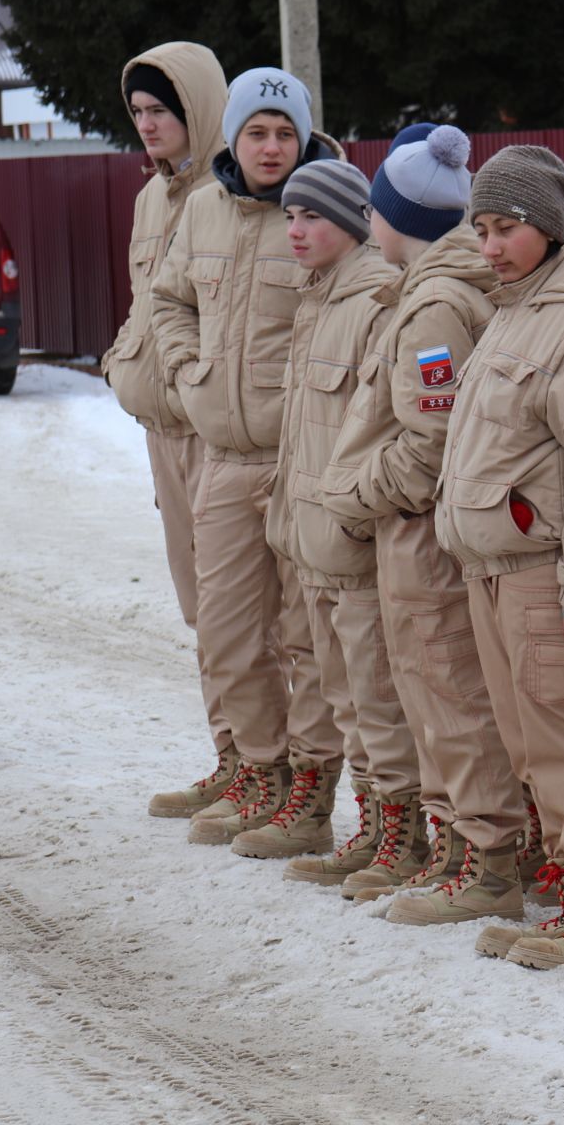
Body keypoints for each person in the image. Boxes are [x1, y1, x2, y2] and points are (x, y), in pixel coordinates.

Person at [419, 146, 564, 977]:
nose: (490, 245)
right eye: (481, 228)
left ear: (550, 229)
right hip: (491, 566)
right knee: (529, 742)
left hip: (546, 572)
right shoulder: (514, 311)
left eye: (507, 228)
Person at [321, 123, 535, 903]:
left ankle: (485, 858)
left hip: (422, 532)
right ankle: (459, 848)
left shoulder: (436, 305)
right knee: (432, 687)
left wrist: (353, 489)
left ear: (396, 217)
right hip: (420, 529)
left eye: (376, 206)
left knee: (449, 692)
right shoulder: (424, 290)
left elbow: (430, 444)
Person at [149, 66, 338, 846]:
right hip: (223, 455)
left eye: (284, 132)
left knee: (307, 638)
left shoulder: (326, 206)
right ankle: (260, 773)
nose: (270, 146)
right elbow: (167, 299)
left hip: (300, 460)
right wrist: (187, 372)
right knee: (225, 628)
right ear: (232, 135)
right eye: (257, 131)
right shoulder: (201, 210)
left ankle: (313, 796)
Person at [227, 158, 409, 866]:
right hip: (309, 541)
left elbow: (384, 432)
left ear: (355, 222)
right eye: (291, 216)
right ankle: (371, 824)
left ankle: (401, 831)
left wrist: (352, 514)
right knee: (341, 696)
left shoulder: (373, 302)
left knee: (377, 696)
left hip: (353, 538)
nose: (296, 230)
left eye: (313, 217)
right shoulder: (317, 299)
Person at [108, 46, 233, 817]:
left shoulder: (233, 193)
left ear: (198, 110)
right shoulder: (151, 201)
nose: (149, 126)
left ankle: (280, 768)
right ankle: (235, 757)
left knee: (243, 608)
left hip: (219, 431)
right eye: (140, 114)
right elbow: (146, 305)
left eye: (162, 111)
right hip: (165, 433)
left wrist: (197, 389)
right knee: (199, 607)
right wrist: (123, 363)